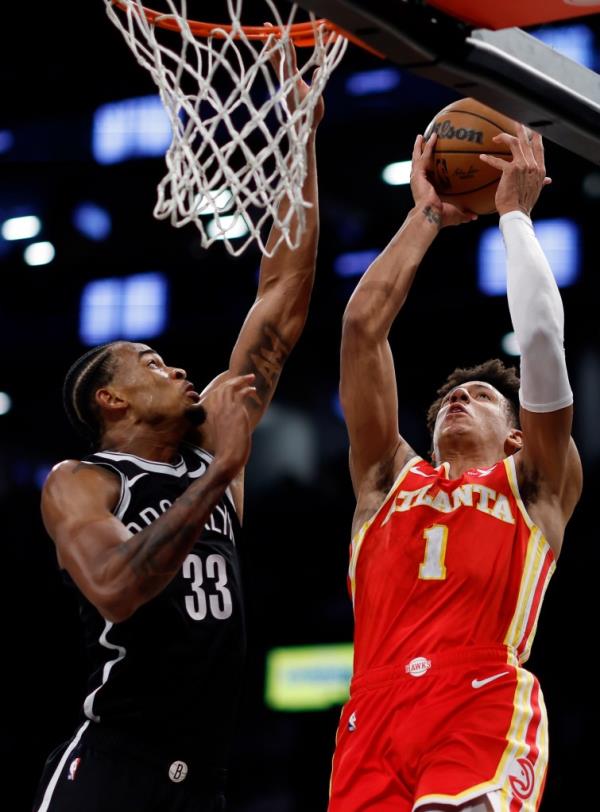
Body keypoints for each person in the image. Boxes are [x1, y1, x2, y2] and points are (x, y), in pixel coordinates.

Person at [32, 45, 323, 812]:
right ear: (111, 403)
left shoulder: (207, 453)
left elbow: (285, 291)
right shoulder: (84, 481)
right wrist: (223, 473)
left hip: (205, 777)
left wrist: (298, 144)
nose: (178, 370)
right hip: (113, 769)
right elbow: (118, 588)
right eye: (151, 363)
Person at [328, 125, 582, 812]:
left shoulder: (533, 485)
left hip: (479, 698)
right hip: (370, 717)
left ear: (517, 438)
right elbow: (360, 331)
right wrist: (427, 216)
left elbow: (538, 338)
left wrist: (516, 217)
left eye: (482, 396)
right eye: (447, 397)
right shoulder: (386, 481)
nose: (458, 398)